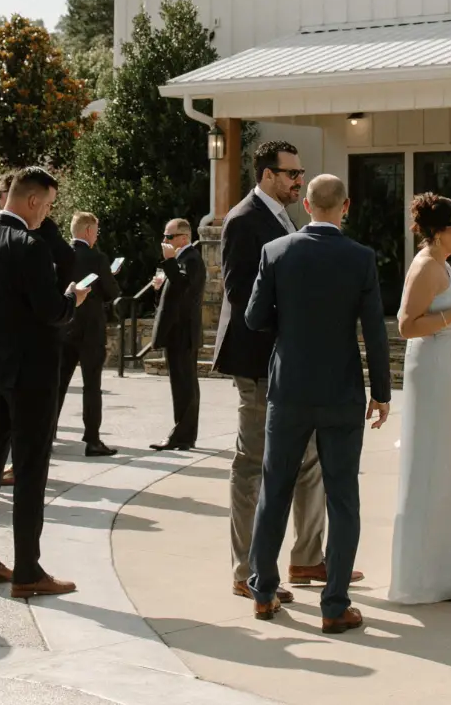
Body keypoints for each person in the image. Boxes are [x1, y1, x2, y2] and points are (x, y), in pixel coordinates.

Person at [243, 173, 390, 634]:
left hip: (289, 388)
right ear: (345, 207)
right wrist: (382, 391)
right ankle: (335, 605)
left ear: (306, 205)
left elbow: (253, 318)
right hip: (341, 391)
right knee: (343, 497)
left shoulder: (276, 251)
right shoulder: (360, 258)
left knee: (275, 490)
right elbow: (375, 330)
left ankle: (263, 592)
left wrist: (291, 324)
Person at [0, 166, 91, 598]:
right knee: (31, 469)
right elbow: (52, 311)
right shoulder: (30, 246)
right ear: (32, 201)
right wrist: (73, 298)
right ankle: (28, 572)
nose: (47, 213)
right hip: (29, 372)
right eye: (47, 205)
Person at [212, 141, 330, 602]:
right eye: (292, 173)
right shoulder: (243, 220)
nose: (300, 180)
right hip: (259, 362)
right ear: (267, 175)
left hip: (293, 361)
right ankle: (246, 571)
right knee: (254, 466)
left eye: (300, 173)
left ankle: (306, 558)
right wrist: (296, 321)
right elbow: (242, 296)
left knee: (310, 458)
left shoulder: (284, 217)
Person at [388, 193, 451, 605]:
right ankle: (423, 576)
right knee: (433, 462)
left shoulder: (444, 265)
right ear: (436, 230)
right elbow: (406, 325)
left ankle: (447, 571)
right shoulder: (427, 265)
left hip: (447, 368)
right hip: (431, 371)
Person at [58, 212, 114, 457]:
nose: (97, 236)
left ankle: (47, 434)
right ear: (89, 231)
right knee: (92, 385)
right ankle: (92, 439)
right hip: (91, 329)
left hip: (64, 325)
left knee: (58, 384)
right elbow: (111, 292)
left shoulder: (60, 256)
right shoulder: (97, 258)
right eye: (96, 231)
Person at [148, 218, 204, 452]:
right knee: (180, 385)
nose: (165, 240)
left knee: (185, 386)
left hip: (183, 332)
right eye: (164, 236)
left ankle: (181, 435)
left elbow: (184, 287)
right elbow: (173, 294)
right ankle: (184, 435)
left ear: (183, 237)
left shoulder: (192, 259)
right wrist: (158, 289)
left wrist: (170, 262)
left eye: (169, 237)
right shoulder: (181, 259)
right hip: (176, 332)